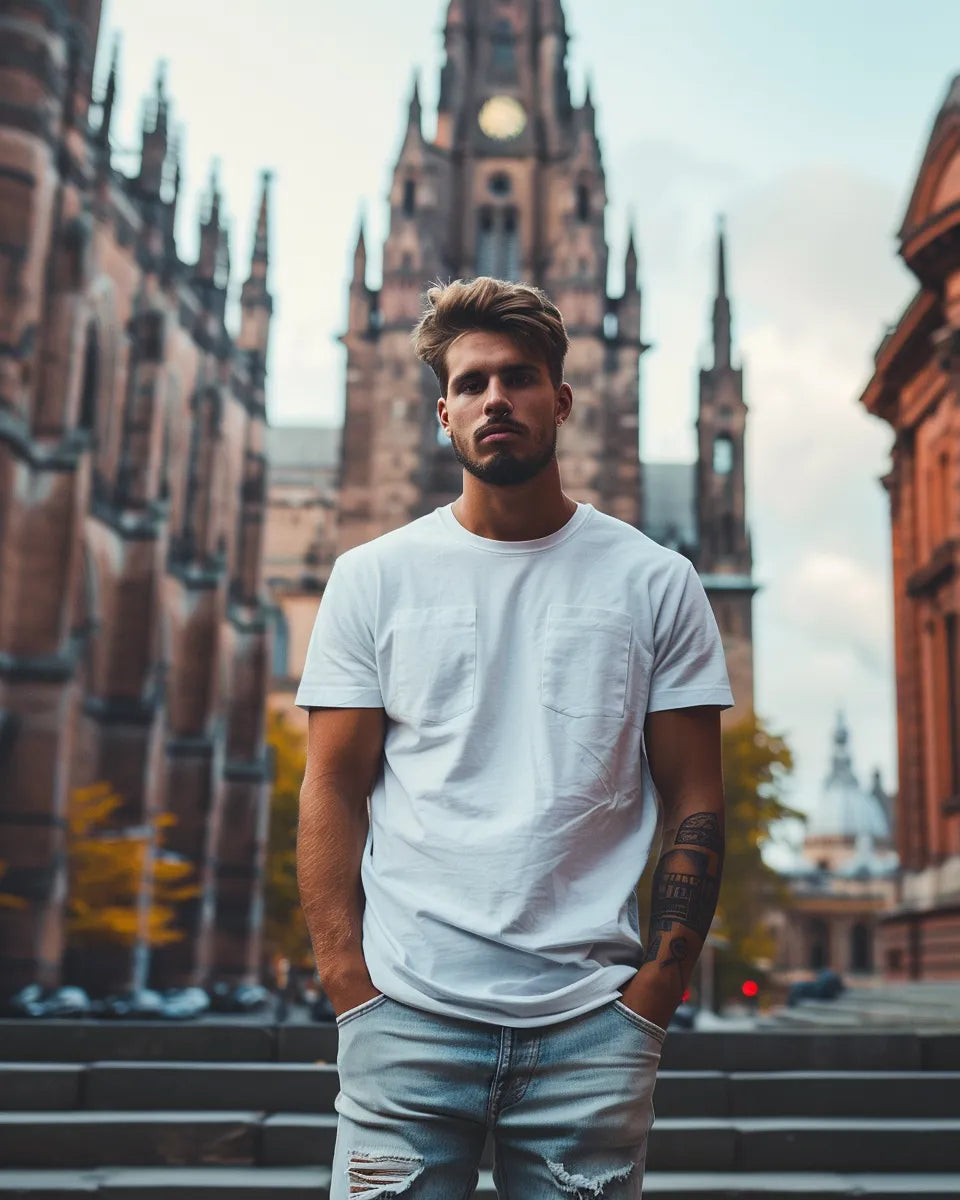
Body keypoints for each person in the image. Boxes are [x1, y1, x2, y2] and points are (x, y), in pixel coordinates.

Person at [296, 277, 731, 1199]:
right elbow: (330, 786)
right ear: (442, 412)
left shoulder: (657, 582)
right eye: (474, 382)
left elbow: (697, 793)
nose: (498, 398)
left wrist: (657, 990)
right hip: (405, 1022)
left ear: (564, 399)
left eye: (521, 378)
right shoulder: (371, 578)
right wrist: (348, 984)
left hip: (592, 1030)